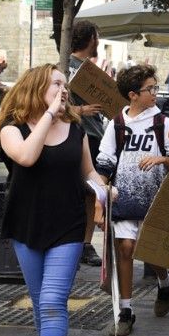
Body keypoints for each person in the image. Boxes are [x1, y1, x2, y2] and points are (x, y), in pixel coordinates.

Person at [0, 64, 106, 336]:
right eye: (56, 83)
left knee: (52, 300)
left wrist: (104, 189)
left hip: (68, 224)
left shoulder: (76, 129)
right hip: (26, 222)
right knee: (39, 298)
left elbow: (87, 170)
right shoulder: (11, 129)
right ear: (36, 87)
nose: (64, 89)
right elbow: (27, 157)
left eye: (65, 84)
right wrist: (47, 116)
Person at [95, 65, 169, 335]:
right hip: (124, 199)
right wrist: (100, 201)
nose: (155, 93)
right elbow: (104, 166)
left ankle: (165, 280)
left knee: (151, 252)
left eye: (156, 87)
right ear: (133, 95)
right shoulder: (117, 123)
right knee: (126, 249)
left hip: (156, 198)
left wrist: (162, 159)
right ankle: (126, 311)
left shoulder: (162, 123)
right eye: (150, 89)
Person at [66, 20, 106, 268]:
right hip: (79, 134)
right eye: (98, 35)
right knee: (78, 192)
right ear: (91, 38)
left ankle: (85, 243)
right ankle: (76, 242)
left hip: (93, 135)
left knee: (90, 192)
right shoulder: (70, 68)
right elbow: (51, 105)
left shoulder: (87, 69)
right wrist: (81, 109)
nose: (99, 41)